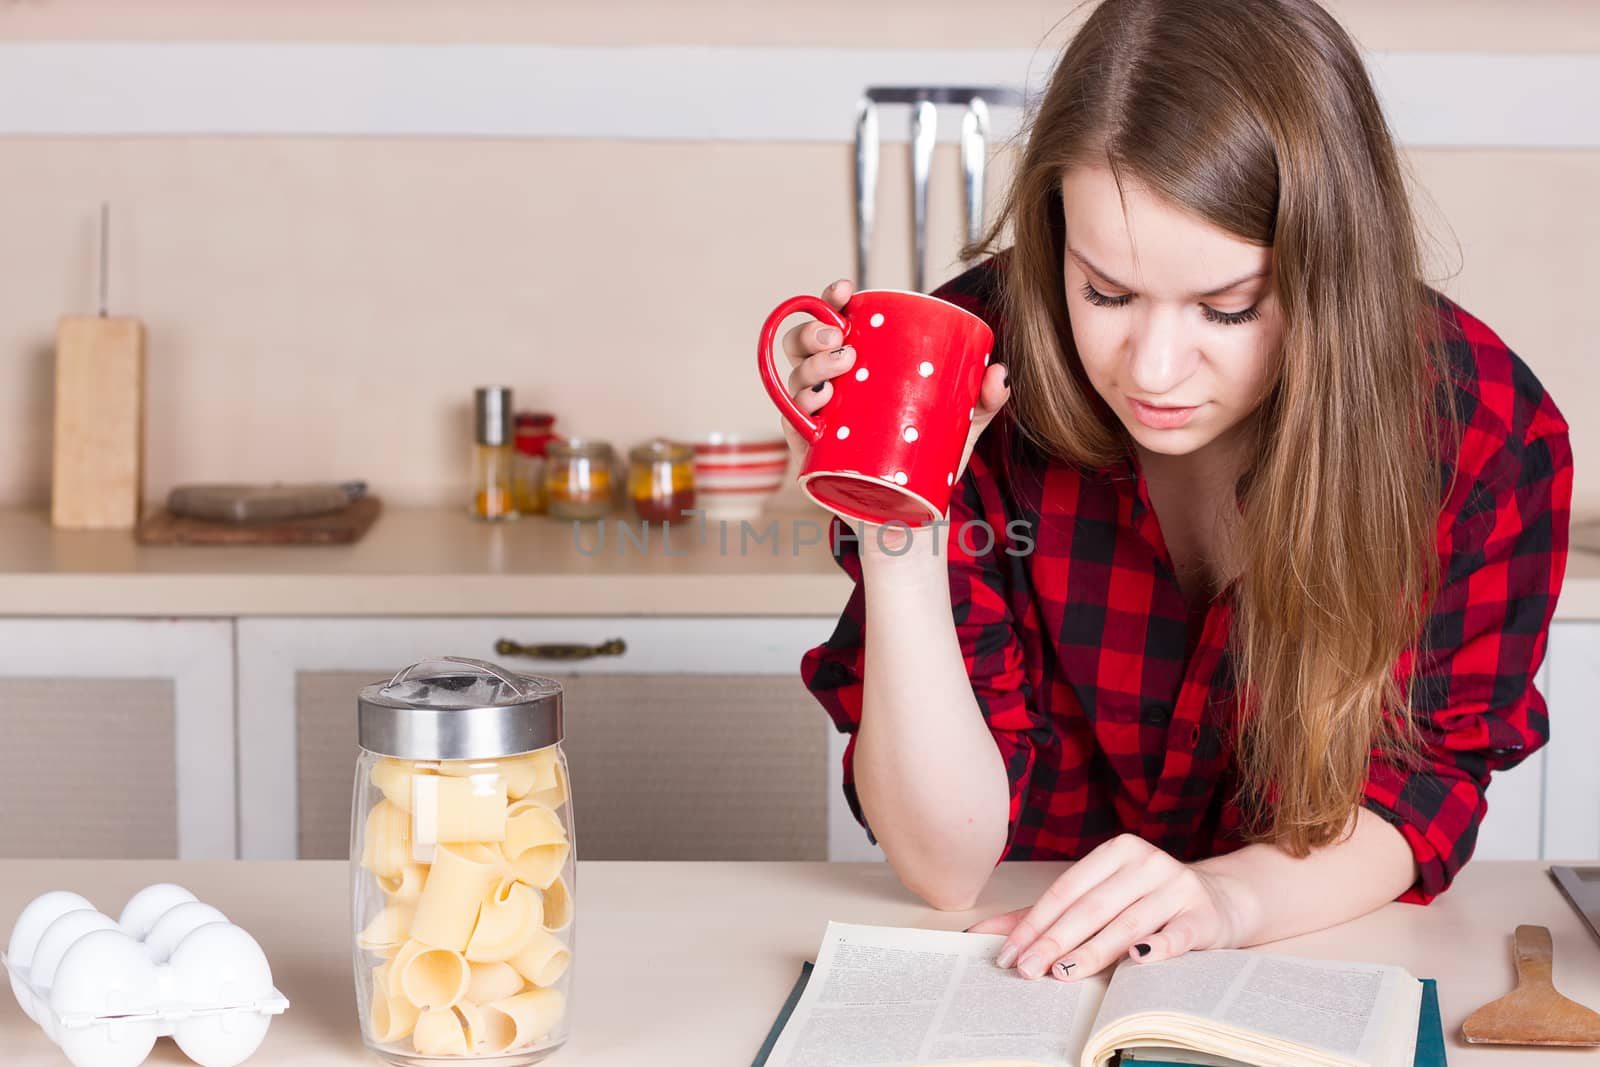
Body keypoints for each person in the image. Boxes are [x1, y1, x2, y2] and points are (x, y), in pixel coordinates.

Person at [780, 0, 1572, 984]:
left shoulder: (1480, 430)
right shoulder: (969, 362)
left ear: (1332, 275)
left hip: (1309, 949)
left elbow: (1419, 795)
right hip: (1014, 965)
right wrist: (896, 521)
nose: (1152, 368)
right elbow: (947, 865)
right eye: (1103, 292)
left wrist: (1226, 897)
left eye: (1226, 306)